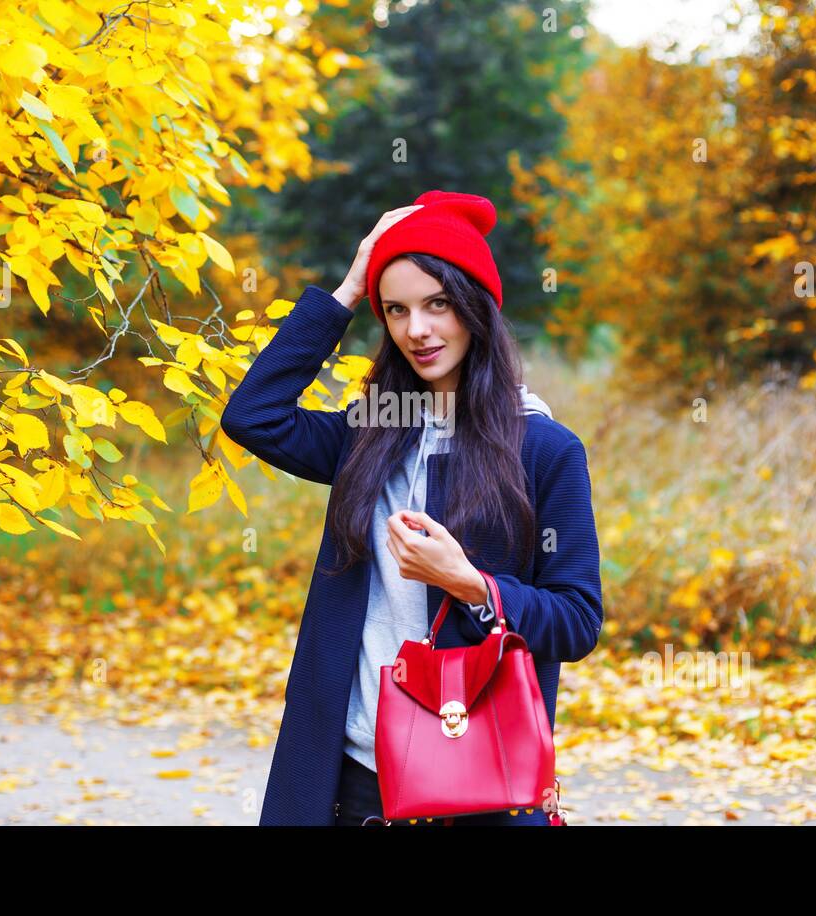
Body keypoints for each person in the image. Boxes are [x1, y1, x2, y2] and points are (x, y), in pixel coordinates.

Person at [220, 190, 604, 826]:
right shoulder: (369, 434)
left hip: (470, 780)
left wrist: (472, 585)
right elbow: (253, 416)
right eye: (395, 310)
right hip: (347, 777)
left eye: (438, 304)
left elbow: (576, 621)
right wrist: (347, 290)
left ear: (476, 307)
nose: (416, 330)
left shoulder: (543, 449)